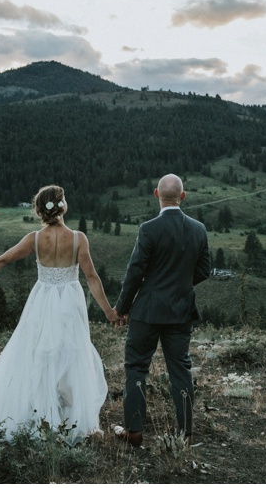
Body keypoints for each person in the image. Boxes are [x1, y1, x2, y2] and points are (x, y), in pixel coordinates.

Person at [0, 184, 119, 442]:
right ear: (62, 206)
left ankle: (42, 412)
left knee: (40, 352)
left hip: (42, 299)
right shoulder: (79, 238)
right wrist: (109, 311)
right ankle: (68, 415)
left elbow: (2, 260)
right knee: (72, 352)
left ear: (41, 210)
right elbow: (91, 277)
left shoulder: (34, 238)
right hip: (69, 300)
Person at [112, 173, 211, 447]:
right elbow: (204, 270)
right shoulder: (198, 229)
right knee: (181, 369)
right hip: (180, 311)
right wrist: (179, 284)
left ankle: (134, 432)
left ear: (157, 195)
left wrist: (122, 307)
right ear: (183, 196)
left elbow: (135, 272)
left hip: (147, 311)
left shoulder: (148, 229)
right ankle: (187, 434)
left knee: (136, 367)